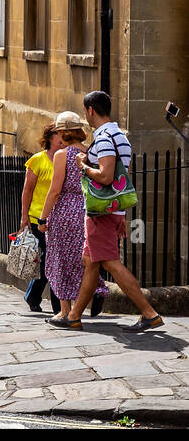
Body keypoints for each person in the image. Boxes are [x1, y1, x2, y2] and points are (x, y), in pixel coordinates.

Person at [50, 92, 163, 332]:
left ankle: (149, 313)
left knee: (110, 263)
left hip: (99, 211)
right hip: (111, 210)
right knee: (90, 261)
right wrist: (121, 215)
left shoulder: (102, 137)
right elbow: (124, 178)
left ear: (91, 110)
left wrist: (83, 166)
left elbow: (106, 175)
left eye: (85, 111)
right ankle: (74, 316)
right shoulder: (120, 137)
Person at [38, 111, 90, 324]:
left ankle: (65, 311)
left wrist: (42, 218)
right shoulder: (89, 153)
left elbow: (55, 190)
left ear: (62, 132)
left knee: (60, 260)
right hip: (86, 210)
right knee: (82, 260)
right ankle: (80, 307)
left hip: (65, 211)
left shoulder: (62, 155)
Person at [19, 122, 64, 314]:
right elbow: (27, 189)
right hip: (38, 216)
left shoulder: (66, 158)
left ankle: (33, 296)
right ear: (50, 138)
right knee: (49, 259)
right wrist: (24, 217)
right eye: (58, 134)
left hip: (59, 217)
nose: (62, 138)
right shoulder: (37, 160)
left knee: (50, 260)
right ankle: (54, 305)